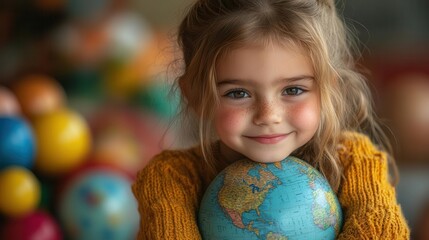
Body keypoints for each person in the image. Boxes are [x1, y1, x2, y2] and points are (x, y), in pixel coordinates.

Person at [132, 0, 410, 239]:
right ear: (195, 96)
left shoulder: (354, 160)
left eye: (293, 90)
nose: (268, 115)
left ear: (328, 91)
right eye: (238, 93)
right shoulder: (171, 177)